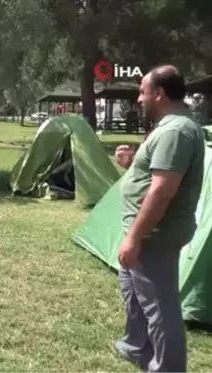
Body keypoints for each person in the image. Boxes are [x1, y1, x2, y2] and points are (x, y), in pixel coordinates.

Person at [114, 65, 205, 373]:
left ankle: (167, 368)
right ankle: (137, 346)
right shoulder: (170, 128)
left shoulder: (176, 131)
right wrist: (131, 166)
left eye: (142, 92)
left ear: (159, 93)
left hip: (155, 234)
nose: (140, 99)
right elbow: (152, 179)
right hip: (148, 231)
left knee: (160, 306)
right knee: (133, 289)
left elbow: (162, 192)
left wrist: (134, 237)